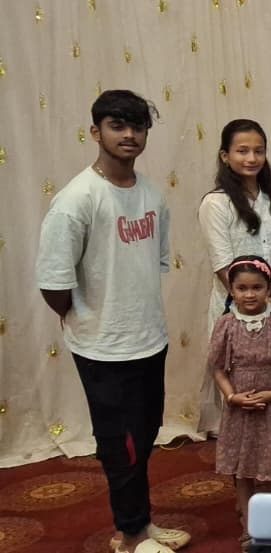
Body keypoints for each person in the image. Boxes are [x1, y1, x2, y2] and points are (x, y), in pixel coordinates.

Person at [36, 90, 191, 553]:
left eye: (137, 126)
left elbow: (152, 263)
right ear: (95, 132)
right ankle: (131, 536)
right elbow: (53, 283)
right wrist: (87, 320)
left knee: (143, 438)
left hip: (149, 337)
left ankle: (140, 524)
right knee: (119, 445)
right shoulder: (77, 199)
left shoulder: (152, 194)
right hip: (103, 347)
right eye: (117, 125)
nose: (129, 135)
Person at [198, 119, 271, 433]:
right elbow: (222, 264)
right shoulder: (216, 203)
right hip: (237, 308)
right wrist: (254, 301)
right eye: (242, 151)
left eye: (259, 151)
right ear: (225, 156)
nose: (251, 158)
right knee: (241, 391)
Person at [208, 255, 271, 549]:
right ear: (231, 290)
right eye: (242, 288)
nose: (249, 295)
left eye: (257, 287)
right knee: (243, 469)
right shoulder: (226, 324)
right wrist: (232, 396)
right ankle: (249, 525)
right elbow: (217, 368)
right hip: (240, 406)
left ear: (269, 288)